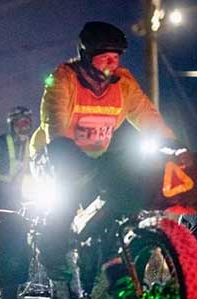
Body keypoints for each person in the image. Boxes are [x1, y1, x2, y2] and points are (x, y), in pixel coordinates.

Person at [30, 21, 176, 281]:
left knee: (126, 196)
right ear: (87, 57)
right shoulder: (63, 80)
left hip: (97, 158)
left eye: (115, 58)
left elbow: (148, 116)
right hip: (53, 153)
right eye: (104, 58)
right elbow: (55, 127)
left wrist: (174, 147)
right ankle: (52, 251)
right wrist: (66, 154)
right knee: (66, 195)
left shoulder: (124, 84)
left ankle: (112, 275)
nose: (111, 64)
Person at [0, 107, 34, 210]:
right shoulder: (1, 143)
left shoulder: (31, 143)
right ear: (13, 125)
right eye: (21, 123)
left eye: (27, 123)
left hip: (17, 193)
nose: (25, 127)